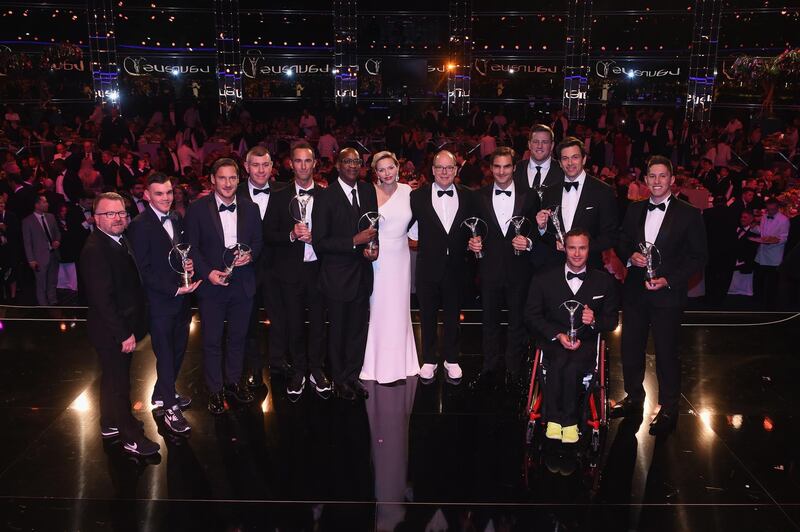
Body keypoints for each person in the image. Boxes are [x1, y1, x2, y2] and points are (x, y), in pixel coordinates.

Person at [612, 155, 707, 435]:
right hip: (635, 294)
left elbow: (698, 257)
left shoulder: (689, 214)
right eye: (651, 176)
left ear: (672, 179)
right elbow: (621, 239)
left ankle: (668, 408)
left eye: (662, 176)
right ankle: (634, 397)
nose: (656, 181)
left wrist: (668, 279)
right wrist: (630, 255)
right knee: (630, 348)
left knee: (667, 354)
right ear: (644, 180)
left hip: (668, 296)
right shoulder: (634, 209)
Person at [525, 229, 619, 443]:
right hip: (554, 339)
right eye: (572, 248)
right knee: (558, 362)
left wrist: (594, 321)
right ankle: (553, 420)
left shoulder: (603, 281)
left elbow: (612, 321)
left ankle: (570, 421)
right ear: (564, 249)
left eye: (582, 248)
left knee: (574, 365)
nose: (577, 253)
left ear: (589, 249)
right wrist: (556, 335)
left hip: (586, 341)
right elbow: (531, 315)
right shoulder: (544, 279)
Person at [79, 192, 155, 455]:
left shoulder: (119, 239)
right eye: (110, 214)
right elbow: (103, 300)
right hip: (112, 330)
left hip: (120, 325)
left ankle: (109, 423)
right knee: (120, 383)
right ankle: (130, 437)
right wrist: (124, 334)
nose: (118, 218)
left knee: (112, 378)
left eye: (121, 213)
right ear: (95, 218)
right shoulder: (95, 250)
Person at [185, 158, 263, 414]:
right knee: (212, 340)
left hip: (243, 284)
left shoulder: (251, 209)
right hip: (212, 285)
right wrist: (208, 274)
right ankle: (215, 390)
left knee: (239, 338)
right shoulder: (197, 209)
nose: (228, 183)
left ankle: (233, 383)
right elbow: (192, 248)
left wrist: (250, 255)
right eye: (222, 178)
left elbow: (258, 242)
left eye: (232, 178)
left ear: (238, 179)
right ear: (212, 180)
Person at [128, 173, 201, 434]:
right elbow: (143, 270)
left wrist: (188, 266)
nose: (165, 198)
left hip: (182, 299)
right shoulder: (139, 224)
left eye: (169, 192)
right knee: (166, 355)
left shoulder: (177, 218)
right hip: (159, 302)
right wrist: (175, 288)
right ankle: (169, 408)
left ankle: (162, 393)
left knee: (179, 350)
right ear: (147, 195)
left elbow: (179, 253)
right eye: (159, 193)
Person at [264, 142, 330, 400]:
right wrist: (291, 235)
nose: (303, 165)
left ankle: (316, 368)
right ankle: (299, 370)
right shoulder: (279, 195)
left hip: (318, 269)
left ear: (315, 163)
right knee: (292, 323)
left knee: (317, 323)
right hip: (289, 272)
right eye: (298, 161)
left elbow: (335, 232)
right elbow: (268, 234)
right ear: (291, 164)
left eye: (308, 161)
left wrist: (319, 238)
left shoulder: (326, 195)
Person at [312, 148, 378, 400]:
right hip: (337, 277)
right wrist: (354, 241)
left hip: (363, 273)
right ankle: (339, 379)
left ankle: (352, 376)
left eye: (356, 161)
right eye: (347, 161)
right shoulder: (326, 196)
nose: (352, 165)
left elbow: (374, 226)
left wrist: (373, 247)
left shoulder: (368, 190)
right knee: (338, 330)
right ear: (338, 165)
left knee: (358, 330)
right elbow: (320, 242)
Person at [468, 147, 536, 389]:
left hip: (519, 268)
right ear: (491, 168)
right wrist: (472, 242)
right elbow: (473, 231)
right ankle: (489, 366)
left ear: (514, 168)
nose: (501, 171)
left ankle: (514, 368)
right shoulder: (478, 196)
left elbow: (539, 232)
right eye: (497, 166)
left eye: (506, 166)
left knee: (518, 320)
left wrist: (528, 242)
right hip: (489, 268)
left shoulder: (530, 196)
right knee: (489, 320)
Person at [409, 150, 475, 383]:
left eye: (449, 167)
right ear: (433, 170)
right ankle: (429, 359)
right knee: (427, 315)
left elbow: (477, 227)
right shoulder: (416, 197)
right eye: (440, 167)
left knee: (452, 315)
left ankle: (452, 358)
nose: (445, 172)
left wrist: (477, 240)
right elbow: (404, 227)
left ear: (456, 170)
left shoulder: (469, 196)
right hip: (427, 266)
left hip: (457, 266)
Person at [360, 151, 420, 384]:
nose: (387, 173)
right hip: (378, 257)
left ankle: (402, 364)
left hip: (401, 256)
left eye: (390, 167)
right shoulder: (367, 193)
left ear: (398, 167)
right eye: (381, 169)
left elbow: (416, 225)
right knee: (380, 309)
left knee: (400, 309)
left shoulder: (409, 191)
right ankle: (377, 365)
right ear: (376, 172)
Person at [237, 146, 288, 389]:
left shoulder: (284, 191)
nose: (260, 170)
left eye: (265, 165)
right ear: (246, 167)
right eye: (255, 165)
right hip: (246, 270)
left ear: (271, 167)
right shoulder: (233, 193)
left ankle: (278, 363)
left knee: (280, 319)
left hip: (279, 268)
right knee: (248, 323)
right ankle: (253, 368)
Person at [536, 136, 618, 271]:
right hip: (555, 266)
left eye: (575, 157)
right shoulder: (549, 192)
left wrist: (580, 248)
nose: (570, 163)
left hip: (590, 267)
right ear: (560, 163)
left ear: (584, 159)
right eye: (565, 158)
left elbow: (610, 236)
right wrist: (542, 228)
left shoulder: (603, 191)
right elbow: (548, 235)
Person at [22, 194, 61, 306]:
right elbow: (27, 243)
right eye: (44, 202)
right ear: (37, 205)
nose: (47, 204)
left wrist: (57, 241)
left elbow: (57, 232)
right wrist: (31, 260)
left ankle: (53, 301)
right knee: (41, 283)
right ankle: (43, 305)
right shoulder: (27, 221)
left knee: (52, 280)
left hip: (53, 253)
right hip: (39, 257)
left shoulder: (51, 217)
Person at [752, 197, 790, 309]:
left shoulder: (784, 220)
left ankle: (770, 305)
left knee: (772, 283)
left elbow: (784, 237)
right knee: (759, 279)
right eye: (769, 210)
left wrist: (773, 241)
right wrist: (754, 228)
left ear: (777, 208)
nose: (770, 212)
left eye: (773, 210)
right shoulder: (764, 216)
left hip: (774, 255)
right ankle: (757, 302)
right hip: (762, 253)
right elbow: (763, 232)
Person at [513, 124, 565, 194]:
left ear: (552, 145)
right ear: (529, 144)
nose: (539, 146)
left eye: (544, 142)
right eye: (535, 142)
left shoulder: (562, 171)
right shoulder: (516, 169)